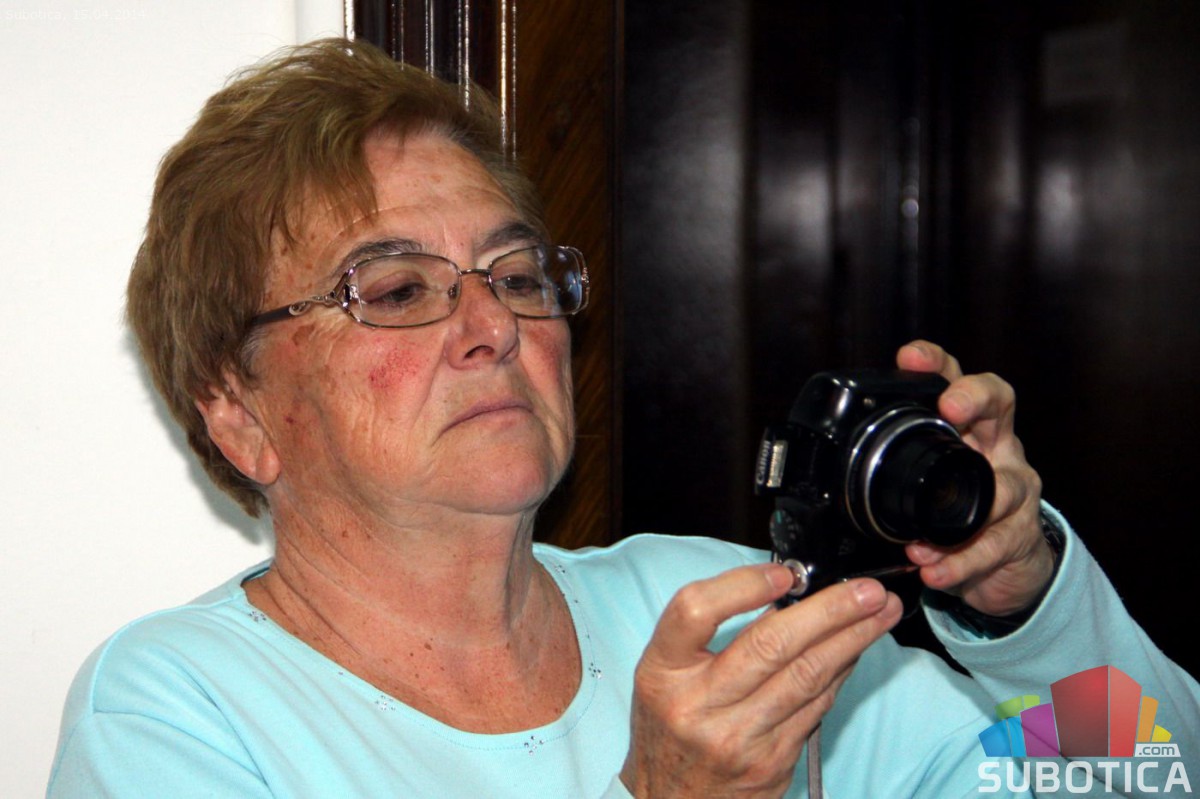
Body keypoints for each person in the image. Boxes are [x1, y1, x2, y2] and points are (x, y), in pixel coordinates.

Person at [48, 38, 1197, 798]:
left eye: (517, 274)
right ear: (238, 410)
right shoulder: (179, 710)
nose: (493, 325)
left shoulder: (719, 614)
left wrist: (1027, 604)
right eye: (395, 290)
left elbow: (1148, 775)